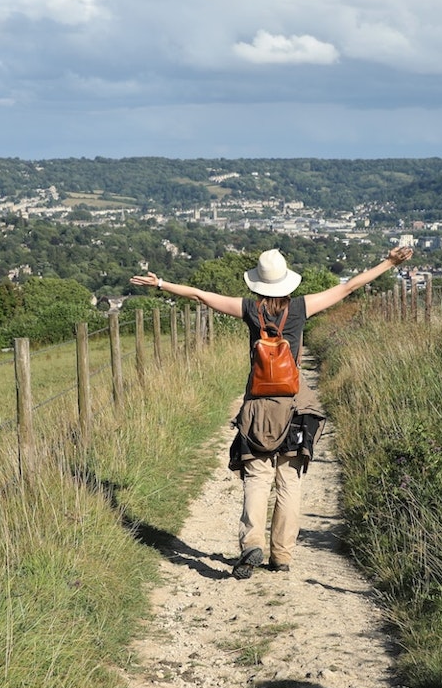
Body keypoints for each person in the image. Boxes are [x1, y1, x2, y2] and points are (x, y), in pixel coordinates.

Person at [131, 245, 414, 579]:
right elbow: (348, 287)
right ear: (287, 283)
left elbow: (200, 296)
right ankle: (282, 554)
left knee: (257, 476)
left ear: (257, 285)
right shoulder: (300, 308)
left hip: (258, 404)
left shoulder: (250, 310)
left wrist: (161, 283)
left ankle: (252, 544)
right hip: (294, 404)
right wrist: (389, 262)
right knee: (289, 480)